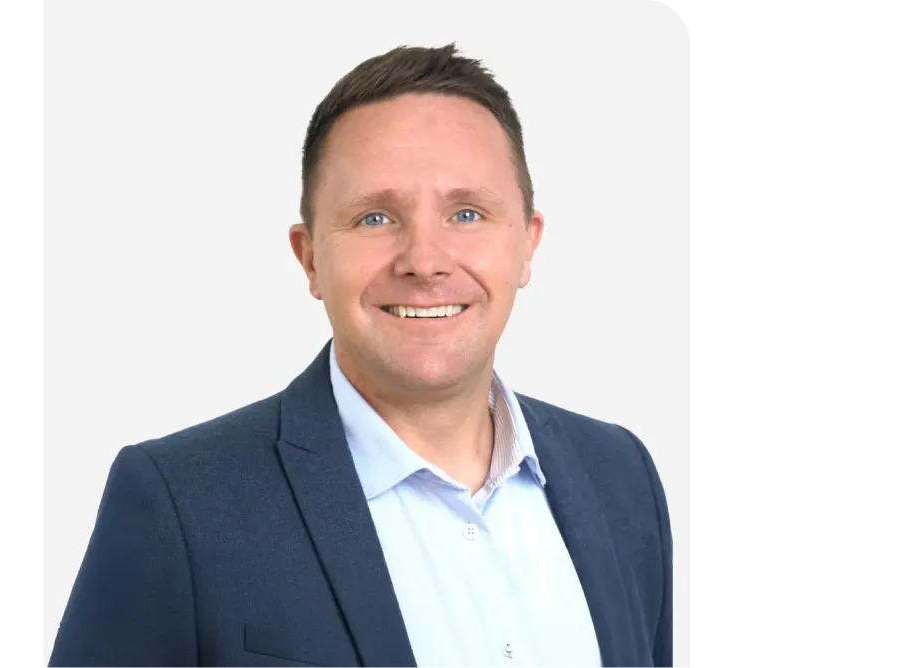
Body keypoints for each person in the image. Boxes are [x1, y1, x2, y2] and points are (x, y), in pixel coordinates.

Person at [49, 43, 672, 668]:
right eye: (375, 217)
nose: (424, 261)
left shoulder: (621, 476)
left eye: (467, 212)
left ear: (527, 245)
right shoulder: (179, 506)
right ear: (310, 256)